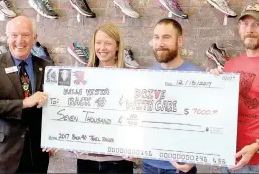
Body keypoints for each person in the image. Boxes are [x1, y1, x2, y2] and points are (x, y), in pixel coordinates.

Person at [210, 2, 259, 173]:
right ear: (239, 28)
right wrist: (212, 83)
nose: (250, 29)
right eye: (245, 23)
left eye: (257, 24)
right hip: (229, 158)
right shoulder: (230, 65)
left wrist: (258, 145)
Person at [0, 16, 54, 173]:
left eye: (25, 35)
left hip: (37, 154)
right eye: (14, 35)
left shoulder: (47, 67)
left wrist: (54, 137)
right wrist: (23, 103)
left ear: (34, 38)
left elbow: (54, 107)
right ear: (7, 37)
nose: (19, 40)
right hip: (4, 152)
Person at [142, 18, 202, 174]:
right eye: (156, 37)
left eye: (166, 37)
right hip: (149, 164)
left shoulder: (198, 77)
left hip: (181, 168)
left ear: (180, 40)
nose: (159, 43)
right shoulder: (146, 76)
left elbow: (205, 123)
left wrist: (195, 158)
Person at [76, 23, 133, 173]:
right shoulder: (82, 77)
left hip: (118, 160)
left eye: (108, 43)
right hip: (86, 158)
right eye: (98, 42)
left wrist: (136, 146)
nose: (102, 48)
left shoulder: (131, 78)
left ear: (117, 47)